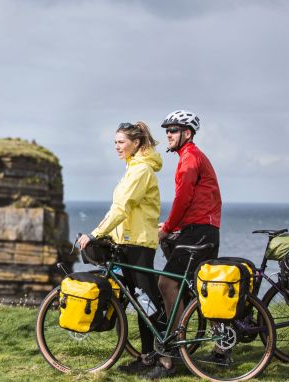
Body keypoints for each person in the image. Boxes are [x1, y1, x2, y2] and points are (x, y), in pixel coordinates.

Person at [77, 121, 165, 374]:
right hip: (128, 241)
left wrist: (94, 234)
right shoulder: (133, 168)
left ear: (136, 143)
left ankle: (163, 358)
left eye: (121, 142)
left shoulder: (140, 171)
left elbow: (121, 208)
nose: (117, 147)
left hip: (138, 244)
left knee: (146, 302)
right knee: (140, 302)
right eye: (114, 142)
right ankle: (147, 357)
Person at [148, 110, 222, 379]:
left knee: (166, 283)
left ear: (187, 133)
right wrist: (172, 227)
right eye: (166, 130)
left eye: (173, 130)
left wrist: (167, 228)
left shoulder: (190, 159)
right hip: (201, 229)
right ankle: (222, 347)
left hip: (199, 232)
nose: (167, 134)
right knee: (202, 287)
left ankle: (174, 352)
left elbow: (183, 199)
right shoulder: (189, 156)